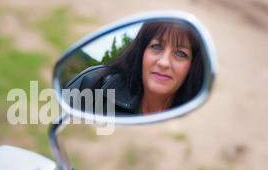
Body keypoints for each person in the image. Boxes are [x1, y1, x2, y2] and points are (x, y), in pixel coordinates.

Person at [65, 21, 204, 115]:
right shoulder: (93, 84)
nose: (164, 62)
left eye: (181, 53)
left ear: (192, 66)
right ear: (141, 51)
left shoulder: (198, 113)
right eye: (156, 46)